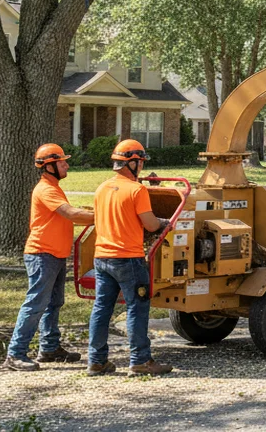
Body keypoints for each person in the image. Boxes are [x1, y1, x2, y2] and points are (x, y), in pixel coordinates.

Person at [86, 139, 174, 376]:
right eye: (141, 162)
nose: (142, 167)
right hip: (128, 258)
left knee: (102, 308)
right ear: (132, 163)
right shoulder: (137, 190)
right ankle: (141, 361)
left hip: (102, 256)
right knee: (137, 306)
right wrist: (165, 223)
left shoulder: (102, 188)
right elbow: (150, 223)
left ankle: (96, 361)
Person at [5, 143, 95, 371]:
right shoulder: (46, 189)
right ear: (50, 166)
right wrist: (107, 215)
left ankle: (49, 348)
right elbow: (70, 213)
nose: (66, 164)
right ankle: (15, 354)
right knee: (36, 303)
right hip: (42, 254)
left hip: (54, 254)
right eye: (62, 161)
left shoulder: (53, 186)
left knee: (54, 303)